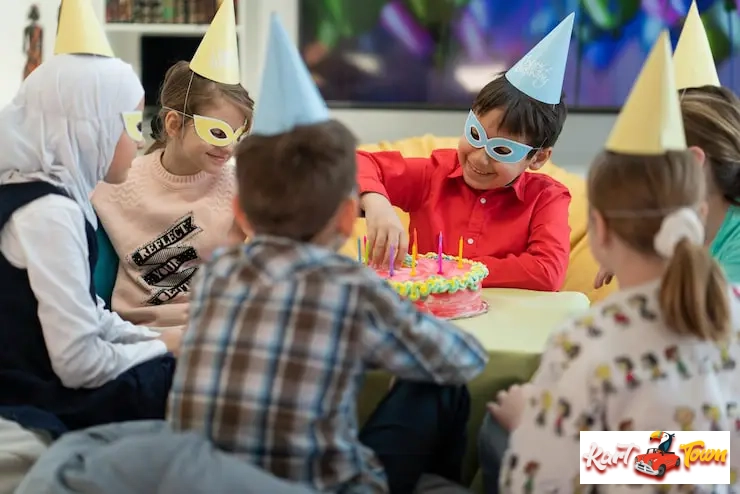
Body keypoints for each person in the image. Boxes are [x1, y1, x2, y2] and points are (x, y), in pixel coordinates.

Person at [167, 15, 486, 494]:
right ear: (345, 217)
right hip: (321, 486)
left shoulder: (220, 271)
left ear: (241, 212)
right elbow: (464, 361)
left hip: (208, 480)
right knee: (443, 388)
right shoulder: (349, 285)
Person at [480, 32, 740, 493]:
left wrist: (540, 428)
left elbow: (705, 462)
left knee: (497, 432)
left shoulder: (589, 338)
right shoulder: (715, 288)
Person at [0, 0, 179, 437]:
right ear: (90, 124)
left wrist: (156, 344)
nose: (139, 141)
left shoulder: (46, 195)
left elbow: (90, 313)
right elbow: (79, 363)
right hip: (31, 391)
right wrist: (158, 358)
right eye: (133, 124)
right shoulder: (50, 213)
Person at [356, 14, 575, 292]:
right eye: (475, 135)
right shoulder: (432, 175)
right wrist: (377, 204)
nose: (479, 158)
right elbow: (357, 161)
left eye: (502, 150)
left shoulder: (547, 199)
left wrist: (452, 270)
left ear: (539, 157)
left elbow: (547, 272)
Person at [92, 0, 252, 330]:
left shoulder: (243, 186)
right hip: (137, 339)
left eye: (239, 133)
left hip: (214, 334)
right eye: (218, 132)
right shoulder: (116, 183)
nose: (230, 147)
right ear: (174, 124)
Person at [594, 3, 740, 288]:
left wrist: (642, 272)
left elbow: (708, 321)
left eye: (650, 164)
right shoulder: (674, 219)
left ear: (693, 161)